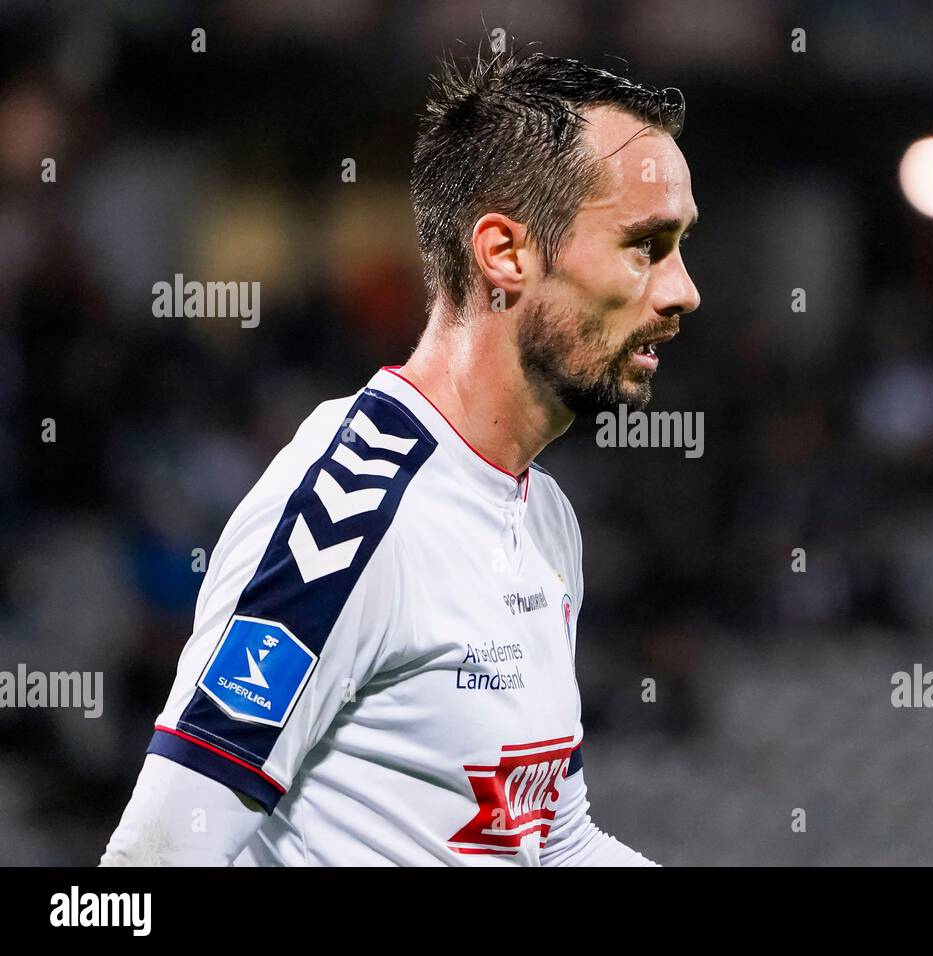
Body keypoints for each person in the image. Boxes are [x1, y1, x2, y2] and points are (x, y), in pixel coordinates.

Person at [100, 49, 700, 866]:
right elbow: (152, 863)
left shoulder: (545, 517)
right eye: (645, 245)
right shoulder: (348, 515)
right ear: (504, 253)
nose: (682, 290)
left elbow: (554, 843)